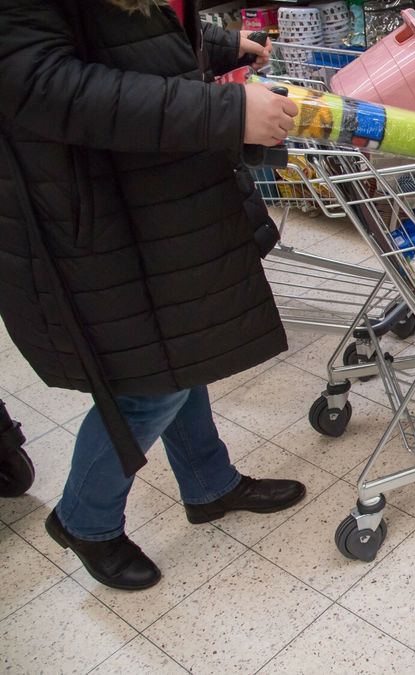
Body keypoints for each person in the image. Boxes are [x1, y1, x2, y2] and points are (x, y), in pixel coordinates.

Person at [0, 0, 307, 591]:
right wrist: (223, 110)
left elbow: (126, 32)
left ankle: (208, 484)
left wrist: (218, 43)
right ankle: (84, 519)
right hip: (93, 207)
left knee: (178, 348)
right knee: (147, 384)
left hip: (153, 186)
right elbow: (43, 85)